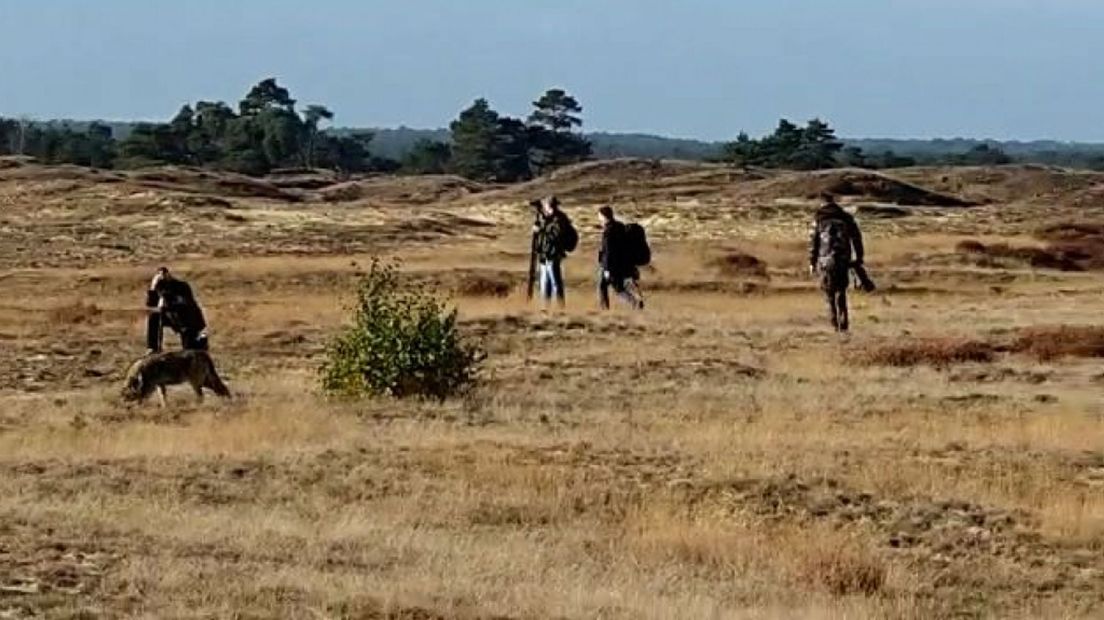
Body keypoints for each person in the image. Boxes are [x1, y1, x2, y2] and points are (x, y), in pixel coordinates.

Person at [809, 194, 865, 333]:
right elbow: (857, 238)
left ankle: (834, 323)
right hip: (842, 259)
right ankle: (844, 324)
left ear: (822, 204)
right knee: (841, 292)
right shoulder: (846, 217)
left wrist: (812, 262)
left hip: (825, 261)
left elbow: (813, 242)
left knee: (829, 294)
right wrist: (859, 258)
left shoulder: (818, 219)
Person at [145, 267, 209, 353]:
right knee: (154, 317)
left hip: (187, 318)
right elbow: (151, 304)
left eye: (164, 275)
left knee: (190, 344)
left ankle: (195, 347)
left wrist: (169, 299)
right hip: (171, 316)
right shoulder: (159, 286)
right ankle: (153, 347)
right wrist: (153, 287)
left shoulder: (181, 286)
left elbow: (186, 303)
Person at [597, 206, 645, 311]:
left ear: (603, 216)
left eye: (599, 216)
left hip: (611, 265)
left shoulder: (608, 231)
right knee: (609, 286)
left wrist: (606, 269)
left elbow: (608, 252)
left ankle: (634, 303)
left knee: (615, 288)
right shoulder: (620, 226)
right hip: (622, 264)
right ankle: (634, 302)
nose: (598, 218)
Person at [532, 196, 575, 307]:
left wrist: (540, 229)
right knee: (545, 283)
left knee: (555, 282)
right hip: (546, 254)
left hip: (553, 254)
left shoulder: (559, 219)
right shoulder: (550, 218)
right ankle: (546, 307)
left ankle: (560, 307)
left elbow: (555, 236)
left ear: (549, 205)